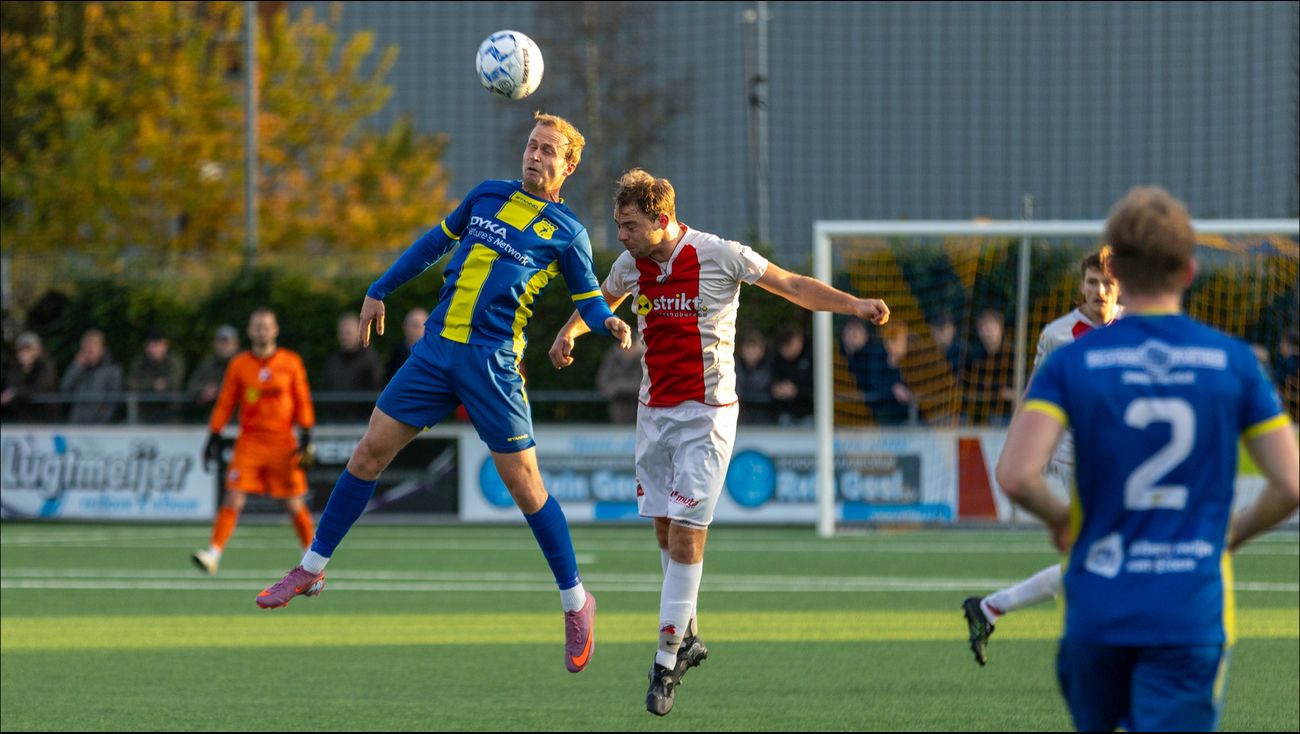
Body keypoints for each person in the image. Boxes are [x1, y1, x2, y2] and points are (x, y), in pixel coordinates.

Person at [256, 112, 631, 678]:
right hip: (433, 354)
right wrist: (379, 289)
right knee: (366, 455)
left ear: (569, 166)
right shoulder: (486, 196)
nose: (535, 155)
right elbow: (433, 243)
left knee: (526, 488)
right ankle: (311, 566)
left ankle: (577, 602)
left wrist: (608, 326)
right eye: (532, 145)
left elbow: (591, 301)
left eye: (548, 150)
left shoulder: (568, 232)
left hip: (493, 364)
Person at [548, 168, 888, 716]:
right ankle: (689, 636)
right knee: (662, 527)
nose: (621, 235)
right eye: (618, 225)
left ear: (661, 219)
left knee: (686, 535)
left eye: (629, 225)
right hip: (652, 413)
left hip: (706, 417)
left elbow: (792, 286)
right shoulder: (631, 264)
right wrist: (570, 332)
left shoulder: (721, 254)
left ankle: (664, 663)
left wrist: (855, 305)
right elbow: (602, 300)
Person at [994, 187, 1298, 732]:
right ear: (1188, 270)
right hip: (1188, 606)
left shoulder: (1074, 359)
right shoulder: (1232, 362)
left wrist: (1065, 522)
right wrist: (1230, 535)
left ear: (1117, 275)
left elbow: (1015, 475)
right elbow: (1291, 485)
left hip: (1099, 602)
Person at [960, 247, 1121, 665]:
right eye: (1091, 282)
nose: (1099, 291)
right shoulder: (1058, 335)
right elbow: (1035, 396)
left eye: (1107, 283)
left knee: (1100, 559)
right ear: (1081, 287)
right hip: (1075, 454)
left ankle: (991, 608)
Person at [192, 308, 317, 576]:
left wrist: (306, 435)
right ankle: (213, 553)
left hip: (283, 441)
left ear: (275, 330)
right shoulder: (239, 364)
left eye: (267, 326)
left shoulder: (290, 361)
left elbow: (302, 399)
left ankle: (311, 556)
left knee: (294, 502)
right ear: (249, 332)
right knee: (233, 497)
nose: (262, 331)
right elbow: (226, 401)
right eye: (257, 326)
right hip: (249, 441)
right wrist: (214, 434)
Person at [321, 313, 385, 423]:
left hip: (363, 421)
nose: (346, 336)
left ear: (359, 333)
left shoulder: (370, 360)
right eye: (343, 333)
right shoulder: (333, 360)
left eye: (349, 332)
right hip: (336, 421)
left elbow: (376, 388)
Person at [962, 308, 1016, 424]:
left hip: (1008, 413)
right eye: (984, 327)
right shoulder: (973, 356)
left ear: (1001, 329)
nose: (987, 331)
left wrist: (1015, 394)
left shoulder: (1014, 356)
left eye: (991, 327)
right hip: (979, 413)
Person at [59, 329, 123, 423]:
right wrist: (75, 367)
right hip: (77, 422)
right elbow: (64, 390)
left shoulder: (112, 370)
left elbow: (114, 399)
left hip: (101, 425)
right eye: (86, 347)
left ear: (102, 349)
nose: (89, 351)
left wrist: (103, 420)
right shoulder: (78, 368)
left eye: (93, 347)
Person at [127, 328, 186, 423]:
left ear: (165, 345)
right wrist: (153, 384)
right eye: (150, 346)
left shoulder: (174, 362)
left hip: (170, 413)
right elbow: (131, 384)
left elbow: (174, 383)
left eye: (157, 345)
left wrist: (147, 386)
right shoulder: (139, 363)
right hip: (144, 413)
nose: (153, 349)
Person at [863, 322, 915, 425]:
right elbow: (873, 385)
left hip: (914, 419)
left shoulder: (915, 361)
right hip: (885, 419)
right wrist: (893, 389)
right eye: (890, 340)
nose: (893, 345)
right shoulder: (877, 361)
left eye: (897, 340)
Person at [1, 331, 59, 422]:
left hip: (45, 417)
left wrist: (15, 393)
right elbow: (12, 385)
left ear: (39, 350)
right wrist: (25, 370)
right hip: (23, 417)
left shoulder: (46, 365)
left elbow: (41, 388)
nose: (25, 353)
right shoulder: (15, 366)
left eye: (29, 349)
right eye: (22, 349)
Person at [186, 325, 241, 420]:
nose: (223, 347)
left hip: (237, 419)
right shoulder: (207, 364)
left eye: (227, 343)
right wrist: (203, 391)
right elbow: (191, 385)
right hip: (210, 419)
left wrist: (218, 392)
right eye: (220, 342)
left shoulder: (243, 364)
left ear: (235, 344)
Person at [596, 328, 647, 424]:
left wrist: (619, 388)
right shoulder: (612, 358)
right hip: (617, 411)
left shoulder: (644, 359)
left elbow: (646, 386)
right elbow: (603, 382)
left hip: (641, 410)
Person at [769, 326, 814, 426]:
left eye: (789, 345)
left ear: (799, 341)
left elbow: (817, 387)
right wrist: (776, 389)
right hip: (785, 413)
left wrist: (796, 391)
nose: (786, 350)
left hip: (808, 413)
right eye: (783, 347)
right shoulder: (777, 360)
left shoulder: (812, 357)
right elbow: (771, 382)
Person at [735, 329, 774, 425]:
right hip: (740, 414)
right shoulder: (733, 366)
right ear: (741, 349)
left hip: (766, 414)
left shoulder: (771, 365)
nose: (752, 351)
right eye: (749, 347)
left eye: (756, 347)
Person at [384, 308, 429, 383]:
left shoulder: (435, 354)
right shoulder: (396, 353)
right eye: (408, 325)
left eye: (416, 326)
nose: (411, 330)